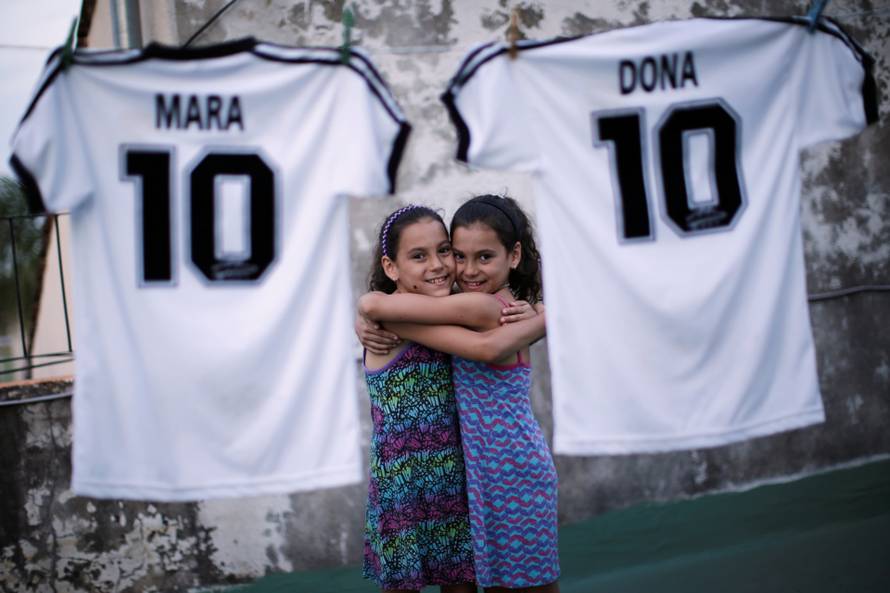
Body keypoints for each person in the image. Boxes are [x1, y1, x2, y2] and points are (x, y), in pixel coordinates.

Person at [359, 195, 560, 593]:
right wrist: (370, 311)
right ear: (391, 266)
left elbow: (485, 348)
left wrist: (371, 306)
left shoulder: (481, 309)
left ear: (514, 256)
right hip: (434, 479)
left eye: (443, 252)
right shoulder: (430, 309)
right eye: (458, 255)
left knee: (527, 584)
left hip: (498, 470)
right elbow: (382, 307)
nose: (448, 266)